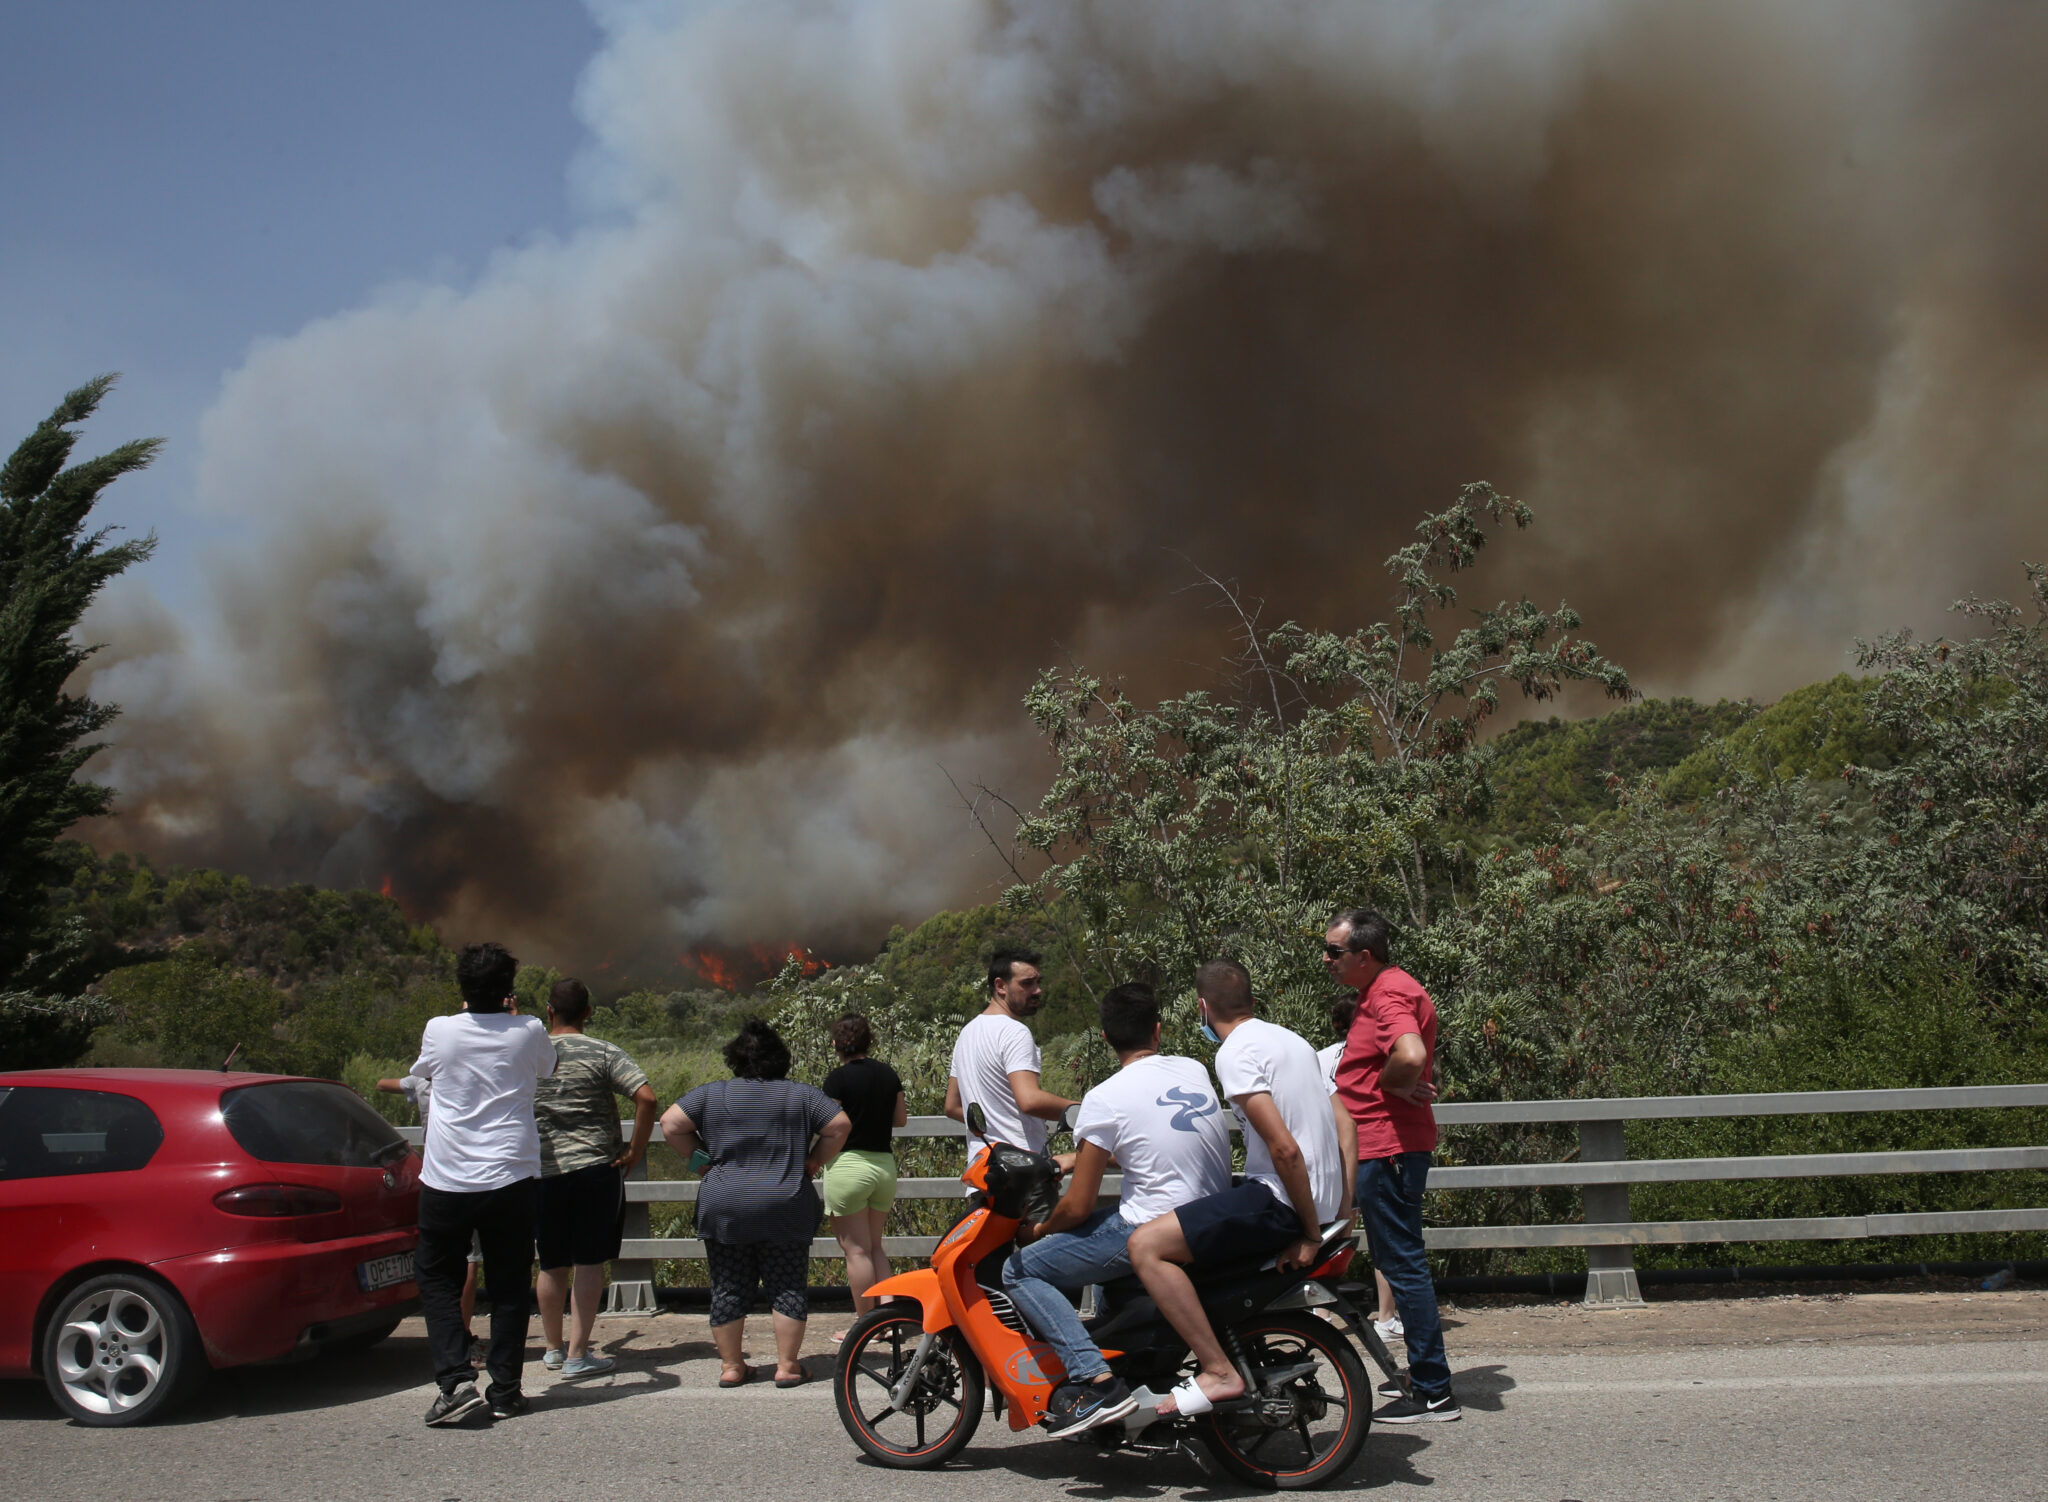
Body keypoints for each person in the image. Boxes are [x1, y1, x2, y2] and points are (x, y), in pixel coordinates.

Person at [1002, 982, 1232, 1438]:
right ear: (1158, 1031)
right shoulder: (1193, 1069)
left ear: (1106, 1039)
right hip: (1211, 1214)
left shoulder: (1103, 1098)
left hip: (1153, 1225)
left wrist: (1038, 1229)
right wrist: (1082, 1157)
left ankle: (1097, 1380)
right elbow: (1156, 1144)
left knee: (1020, 1270)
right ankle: (1138, 1372)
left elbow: (1077, 1205)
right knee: (1101, 1248)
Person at [1126, 958, 1350, 1417]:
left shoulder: (1234, 1053)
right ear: (1251, 998)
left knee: (1145, 1246)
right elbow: (1347, 1129)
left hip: (1283, 1200)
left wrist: (1309, 1235)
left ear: (1203, 1007)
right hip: (1318, 1200)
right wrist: (1342, 1213)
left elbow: (1284, 1150)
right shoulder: (1294, 1042)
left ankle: (1216, 1369)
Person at [410, 941, 557, 1427]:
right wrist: (511, 1016)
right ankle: (506, 1391)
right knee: (511, 1285)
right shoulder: (529, 1029)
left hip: (447, 1177)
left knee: (436, 1277)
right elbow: (547, 1068)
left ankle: (455, 1381)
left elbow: (427, 1071)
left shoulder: (439, 1030)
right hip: (512, 1176)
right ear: (508, 990)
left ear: (463, 987)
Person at [660, 1020, 851, 1388]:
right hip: (784, 1202)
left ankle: (732, 1367)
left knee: (728, 1285)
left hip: (725, 1203)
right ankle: (787, 1366)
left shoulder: (711, 1094)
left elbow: (670, 1123)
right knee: (787, 1285)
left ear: (735, 1059)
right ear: (780, 1059)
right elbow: (840, 1125)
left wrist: (703, 1164)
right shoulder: (801, 1096)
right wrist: (812, 1162)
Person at [1326, 907, 1460, 1424]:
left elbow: (1407, 1051)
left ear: (1365, 955)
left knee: (1403, 1266)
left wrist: (1386, 1085)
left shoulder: (1387, 992)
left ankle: (1434, 1392)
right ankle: (1427, 1381)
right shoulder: (1381, 991)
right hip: (1388, 1145)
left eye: (1334, 952)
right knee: (1398, 1262)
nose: (1327, 960)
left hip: (1387, 1148)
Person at [531, 977, 660, 1379]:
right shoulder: (604, 1052)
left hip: (544, 1171)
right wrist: (635, 1150)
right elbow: (647, 1098)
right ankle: (577, 1354)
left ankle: (552, 1349)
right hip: (594, 1170)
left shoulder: (528, 1056)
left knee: (551, 1262)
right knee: (589, 1262)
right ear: (588, 1012)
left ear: (549, 1012)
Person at [377, 1072, 485, 1366]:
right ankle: (462, 1336)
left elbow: (382, 1084)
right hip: (471, 1176)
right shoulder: (467, 1079)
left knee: (439, 1265)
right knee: (469, 1263)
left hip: (434, 1178)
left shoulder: (419, 1083)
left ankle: (448, 1338)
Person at [1315, 992, 1402, 1348]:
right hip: (1374, 1148)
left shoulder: (1319, 1059)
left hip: (1334, 1152)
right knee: (1384, 1235)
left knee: (1333, 1231)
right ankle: (1386, 1316)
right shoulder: (1376, 1055)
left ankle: (1320, 1310)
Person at [820, 1012, 906, 1340]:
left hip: (849, 1166)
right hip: (883, 1166)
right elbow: (900, 1120)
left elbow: (829, 1125)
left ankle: (864, 1327)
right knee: (875, 1248)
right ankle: (889, 1320)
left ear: (836, 1044)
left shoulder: (837, 1079)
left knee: (855, 1250)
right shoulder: (888, 1074)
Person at [945, 946, 1076, 1159]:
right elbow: (1030, 1100)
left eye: (1038, 982)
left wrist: (996, 1122)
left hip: (982, 1169)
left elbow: (952, 1106)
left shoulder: (966, 1034)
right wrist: (1085, 1110)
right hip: (1023, 1169)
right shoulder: (1015, 1032)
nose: (1037, 990)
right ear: (1000, 986)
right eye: (1027, 983)